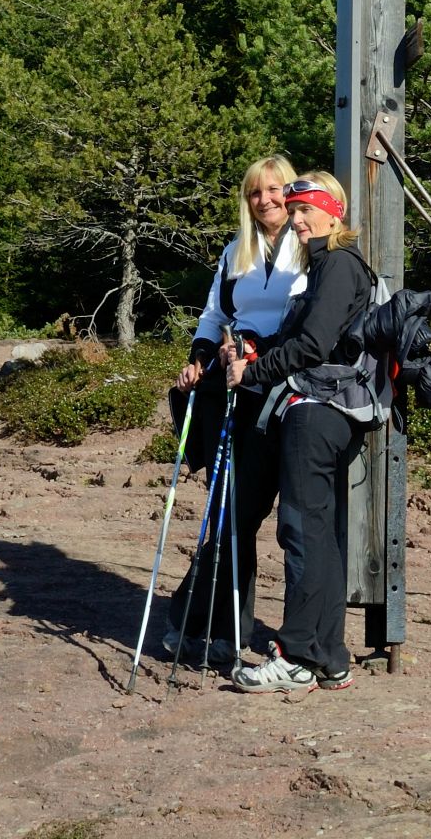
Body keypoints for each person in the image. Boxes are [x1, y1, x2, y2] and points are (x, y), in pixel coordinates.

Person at [226, 171, 374, 695]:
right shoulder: (327, 266)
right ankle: (329, 657)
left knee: (302, 534)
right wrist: (253, 351)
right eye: (294, 211)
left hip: (317, 412)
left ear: (335, 211)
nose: (297, 219)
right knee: (320, 536)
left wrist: (254, 371)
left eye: (307, 209)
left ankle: (296, 657)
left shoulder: (336, 265)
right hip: (324, 412)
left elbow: (312, 346)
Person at [161, 153, 307, 662]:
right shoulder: (234, 252)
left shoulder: (309, 245)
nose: (264, 200)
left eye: (273, 190)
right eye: (254, 192)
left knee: (274, 516)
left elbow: (308, 319)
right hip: (234, 389)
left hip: (288, 387)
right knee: (229, 510)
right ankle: (219, 629)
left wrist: (258, 350)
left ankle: (279, 636)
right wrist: (201, 357)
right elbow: (215, 314)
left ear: (291, 191)